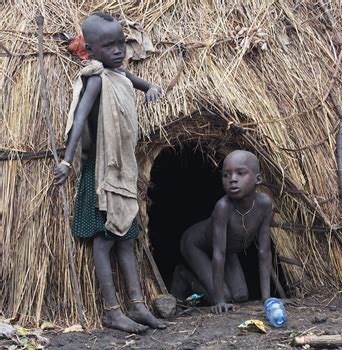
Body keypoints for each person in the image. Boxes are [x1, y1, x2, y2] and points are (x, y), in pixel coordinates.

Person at [54, 12, 165, 333]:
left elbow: (145, 85)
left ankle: (138, 305)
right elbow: (78, 120)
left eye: (121, 43)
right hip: (99, 171)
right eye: (109, 45)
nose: (118, 50)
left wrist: (153, 90)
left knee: (126, 238)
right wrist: (66, 160)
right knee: (104, 240)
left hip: (122, 171)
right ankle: (111, 311)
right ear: (90, 48)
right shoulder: (95, 80)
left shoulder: (119, 75)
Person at [171, 150, 273, 313]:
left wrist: (267, 299)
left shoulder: (264, 204)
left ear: (258, 179)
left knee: (240, 296)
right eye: (226, 175)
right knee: (223, 297)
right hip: (195, 244)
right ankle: (183, 275)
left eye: (240, 173)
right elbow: (219, 254)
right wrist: (219, 301)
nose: (232, 179)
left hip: (228, 248)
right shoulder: (223, 207)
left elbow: (264, 252)